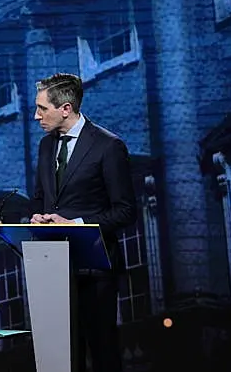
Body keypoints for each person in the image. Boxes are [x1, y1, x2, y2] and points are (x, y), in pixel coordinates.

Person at [31, 73, 137, 372]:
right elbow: (40, 196)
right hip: (53, 267)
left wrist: (75, 223)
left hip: (95, 269)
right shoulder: (45, 146)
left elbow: (126, 211)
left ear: (65, 108)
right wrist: (37, 215)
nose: (36, 115)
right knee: (61, 357)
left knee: (102, 351)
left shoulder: (108, 146)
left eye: (42, 108)